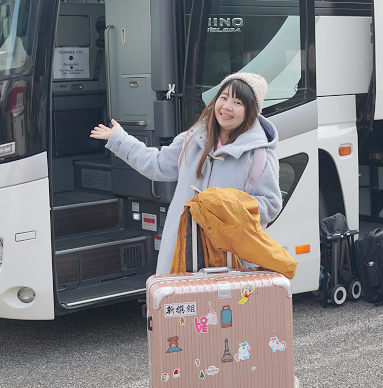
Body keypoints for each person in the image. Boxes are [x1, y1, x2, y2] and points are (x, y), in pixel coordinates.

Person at [90, 72, 281, 274]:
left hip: (230, 260)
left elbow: (271, 205)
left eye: (237, 102)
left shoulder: (259, 155)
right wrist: (120, 139)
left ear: (250, 111)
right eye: (223, 98)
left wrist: (227, 205)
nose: (226, 107)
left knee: (223, 306)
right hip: (182, 252)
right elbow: (157, 165)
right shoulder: (192, 139)